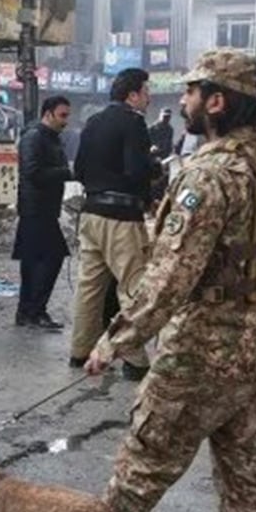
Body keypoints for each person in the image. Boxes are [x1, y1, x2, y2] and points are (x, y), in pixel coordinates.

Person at [86, 49, 256, 512]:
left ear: (218, 100)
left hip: (204, 351)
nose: (186, 101)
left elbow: (169, 277)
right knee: (245, 476)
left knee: (139, 469)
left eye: (196, 91)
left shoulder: (209, 174)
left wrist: (114, 341)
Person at [70, 67, 156, 380]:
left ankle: (80, 351)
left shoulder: (93, 122)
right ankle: (134, 359)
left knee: (89, 287)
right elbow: (136, 171)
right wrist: (153, 168)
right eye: (146, 92)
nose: (149, 98)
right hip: (121, 217)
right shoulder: (134, 123)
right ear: (132, 94)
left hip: (90, 214)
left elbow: (79, 169)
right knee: (132, 287)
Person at [14, 96, 74, 330]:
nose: (66, 121)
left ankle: (29, 311)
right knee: (49, 258)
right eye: (62, 115)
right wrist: (67, 173)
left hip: (45, 209)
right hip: (35, 209)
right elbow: (33, 172)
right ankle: (34, 311)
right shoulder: (34, 137)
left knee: (34, 262)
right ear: (48, 114)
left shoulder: (51, 138)